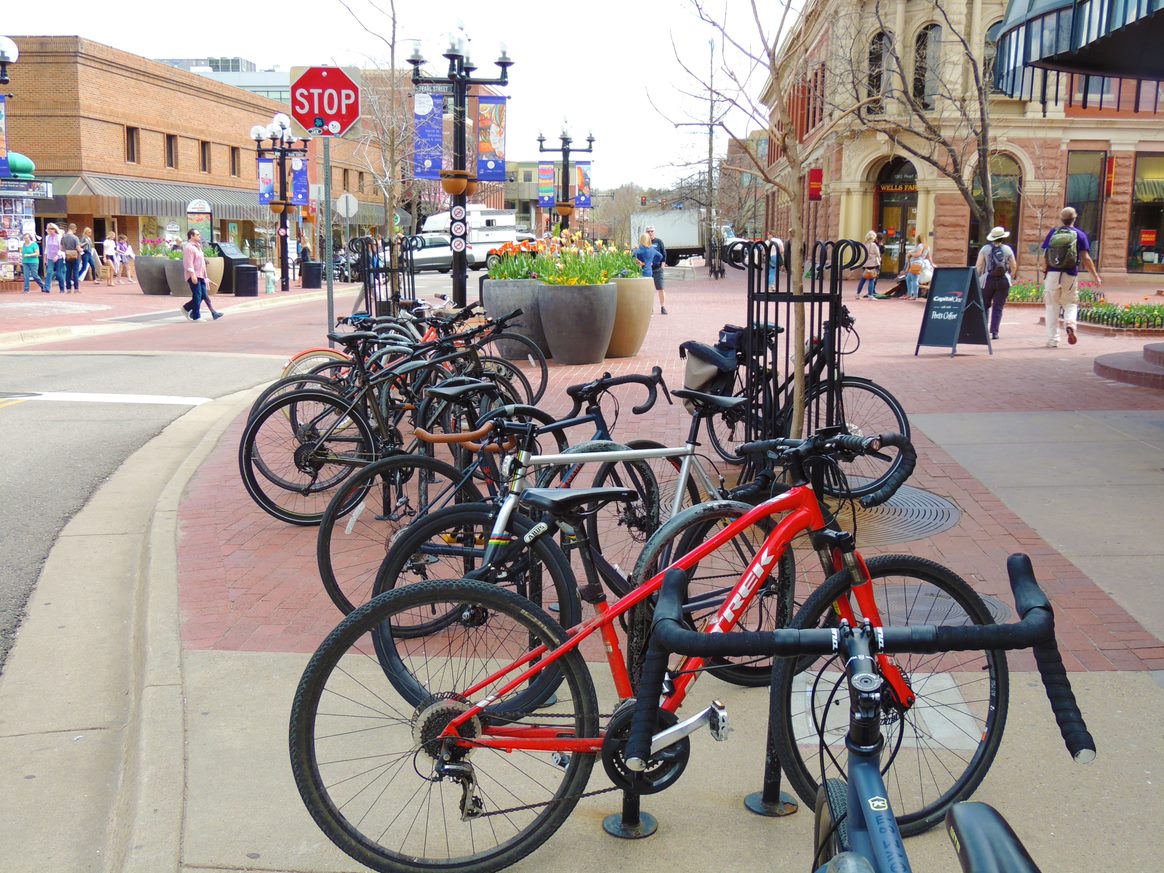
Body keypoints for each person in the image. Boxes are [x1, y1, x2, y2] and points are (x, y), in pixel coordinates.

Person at [1041, 206, 1101, 348]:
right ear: (1075, 218)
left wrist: (1044, 271)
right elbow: (1086, 258)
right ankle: (1070, 325)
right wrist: (1095, 276)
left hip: (1052, 273)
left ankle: (1053, 340)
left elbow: (1045, 255)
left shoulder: (1053, 232)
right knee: (1071, 304)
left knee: (1051, 307)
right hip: (1070, 274)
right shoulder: (1079, 234)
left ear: (1061, 219)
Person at [974, 226, 1018, 340]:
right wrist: (1012, 275)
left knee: (985, 305)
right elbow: (1013, 265)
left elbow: (978, 266)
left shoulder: (985, 249)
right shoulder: (1007, 249)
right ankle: (995, 332)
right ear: (1002, 237)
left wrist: (976, 278)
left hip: (988, 279)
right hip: (1003, 280)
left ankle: (982, 330)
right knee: (998, 307)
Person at [180, 229, 222, 320]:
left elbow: (201, 262)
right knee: (197, 295)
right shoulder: (189, 247)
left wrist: (205, 276)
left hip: (201, 275)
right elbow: (188, 262)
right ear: (191, 236)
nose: (199, 236)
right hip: (194, 275)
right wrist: (192, 274)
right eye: (197, 234)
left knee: (202, 295)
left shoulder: (197, 246)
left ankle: (186, 308)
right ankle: (196, 316)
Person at [646, 225, 667, 314]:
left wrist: (662, 265)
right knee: (649, 290)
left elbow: (664, 253)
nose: (650, 233)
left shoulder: (659, 242)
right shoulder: (644, 243)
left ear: (654, 232)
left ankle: (663, 307)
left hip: (658, 269)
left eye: (651, 231)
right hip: (647, 270)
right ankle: (650, 308)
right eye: (648, 231)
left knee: (661, 288)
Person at [854, 230, 881, 299]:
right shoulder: (874, 245)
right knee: (872, 280)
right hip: (873, 264)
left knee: (863, 280)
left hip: (865, 264)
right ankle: (870, 295)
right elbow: (878, 254)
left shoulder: (864, 244)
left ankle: (857, 294)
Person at [905, 233, 930, 300]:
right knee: (908, 279)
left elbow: (917, 254)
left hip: (916, 263)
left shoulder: (920, 245)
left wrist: (910, 253)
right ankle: (909, 294)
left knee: (914, 280)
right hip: (918, 263)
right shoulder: (927, 246)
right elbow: (928, 257)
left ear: (918, 239)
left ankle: (914, 295)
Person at [43, 223, 65, 292]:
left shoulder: (59, 237)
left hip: (59, 257)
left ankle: (62, 288)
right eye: (49, 229)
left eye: (52, 229)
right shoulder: (47, 237)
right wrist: (45, 257)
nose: (50, 231)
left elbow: (61, 248)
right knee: (49, 272)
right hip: (50, 257)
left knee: (59, 273)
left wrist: (57, 256)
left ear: (55, 229)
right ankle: (47, 288)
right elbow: (46, 248)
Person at [60, 223, 82, 292]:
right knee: (75, 272)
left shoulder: (63, 237)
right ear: (74, 229)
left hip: (67, 255)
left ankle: (68, 288)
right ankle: (76, 288)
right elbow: (78, 248)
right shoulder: (75, 237)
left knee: (68, 272)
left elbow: (61, 248)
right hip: (75, 256)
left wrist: (67, 250)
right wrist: (81, 249)